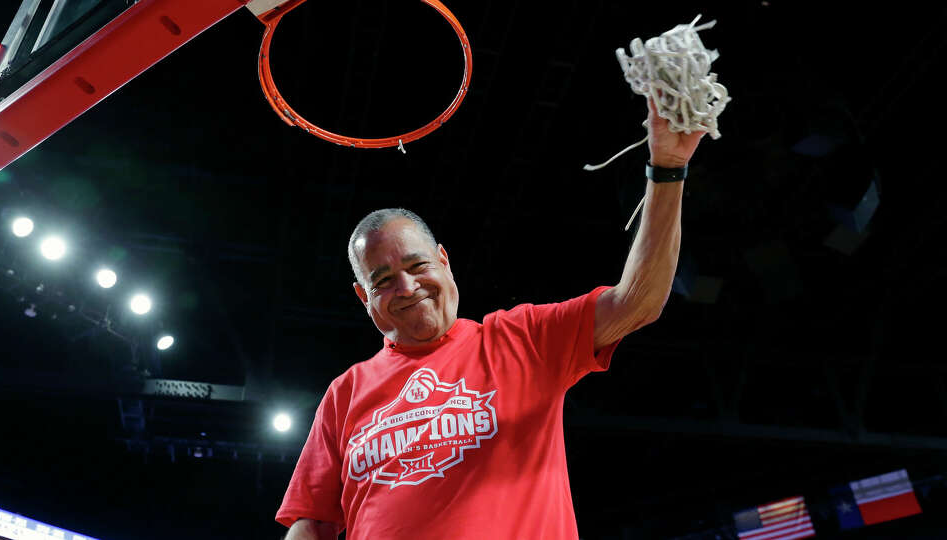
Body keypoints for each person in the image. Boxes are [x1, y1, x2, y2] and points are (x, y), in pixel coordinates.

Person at [275, 98, 706, 539]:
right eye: (383, 279)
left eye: (417, 266)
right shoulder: (344, 395)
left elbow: (638, 300)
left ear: (444, 260)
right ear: (362, 296)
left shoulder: (522, 339)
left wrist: (668, 169)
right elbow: (311, 525)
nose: (406, 288)